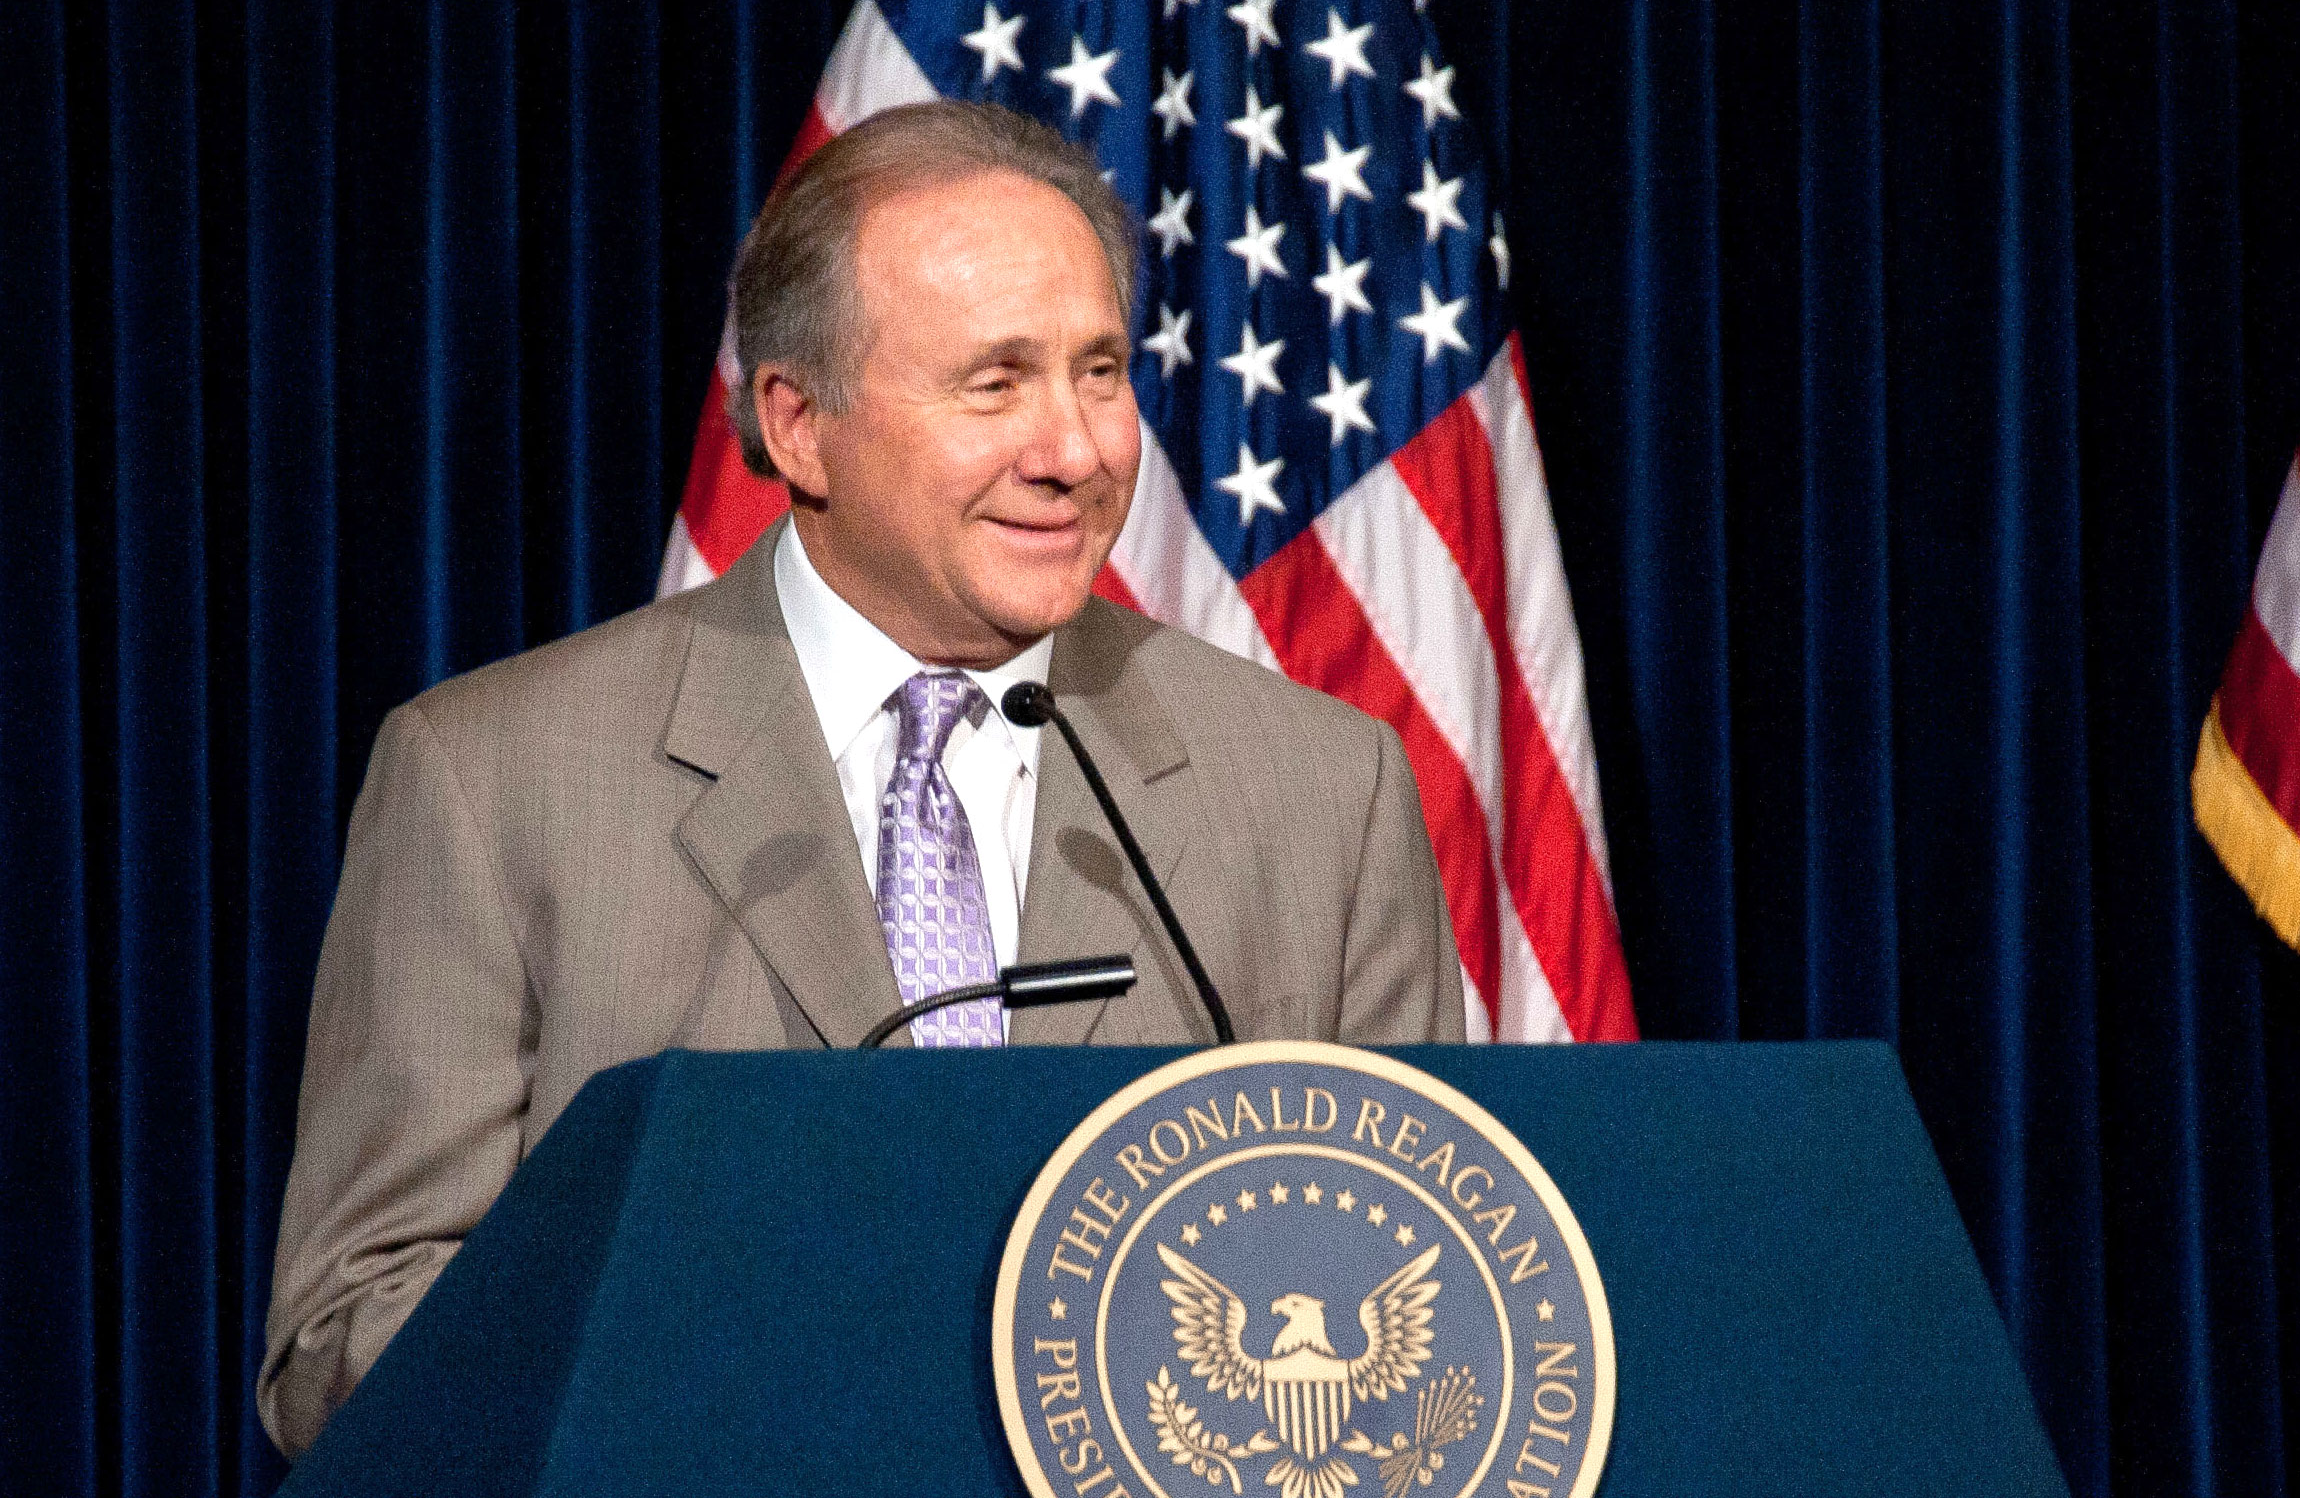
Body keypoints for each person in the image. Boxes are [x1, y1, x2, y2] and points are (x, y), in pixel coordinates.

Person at [256, 100, 1466, 1460]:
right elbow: (350, 1341)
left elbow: (1434, 1270)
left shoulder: (1319, 790)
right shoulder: (496, 785)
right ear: (798, 424)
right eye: (995, 382)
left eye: (1101, 370)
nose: (1074, 449)